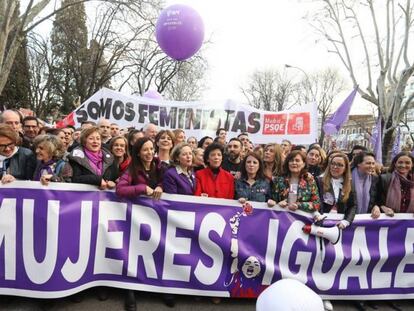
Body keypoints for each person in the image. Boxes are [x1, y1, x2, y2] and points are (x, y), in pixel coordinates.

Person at [116, 137, 165, 311]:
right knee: (133, 253)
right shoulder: (131, 170)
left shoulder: (158, 167)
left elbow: (163, 182)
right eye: (145, 150)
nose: (150, 152)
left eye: (151, 149)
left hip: (155, 219)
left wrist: (159, 186)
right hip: (135, 220)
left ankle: (160, 287)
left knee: (156, 251)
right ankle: (130, 290)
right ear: (138, 152)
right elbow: (120, 190)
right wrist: (142, 189)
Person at [317, 152, 356, 228]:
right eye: (333, 163)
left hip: (339, 225)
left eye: (340, 165)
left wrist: (346, 221)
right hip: (320, 222)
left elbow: (352, 205)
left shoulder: (349, 184)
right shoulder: (319, 181)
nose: (335, 167)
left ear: (345, 168)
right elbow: (314, 202)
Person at [351, 152, 381, 219]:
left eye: (373, 163)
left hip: (366, 219)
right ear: (358, 164)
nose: (371, 166)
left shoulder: (375, 179)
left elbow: (377, 199)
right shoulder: (347, 178)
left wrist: (376, 206)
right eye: (368, 163)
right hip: (347, 218)